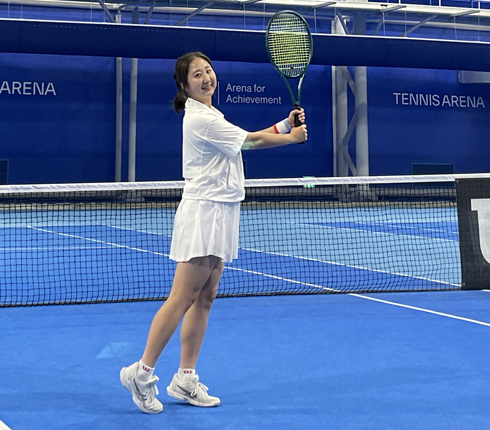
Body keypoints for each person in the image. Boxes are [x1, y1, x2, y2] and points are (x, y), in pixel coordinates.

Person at [120, 51, 307, 414]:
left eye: (208, 71)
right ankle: (140, 375)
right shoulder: (200, 119)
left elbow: (244, 138)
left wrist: (284, 126)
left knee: (206, 296)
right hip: (204, 212)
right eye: (197, 75)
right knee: (181, 298)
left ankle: (185, 379)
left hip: (223, 211)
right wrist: (291, 138)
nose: (206, 78)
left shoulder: (212, 115)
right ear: (184, 86)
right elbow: (248, 143)